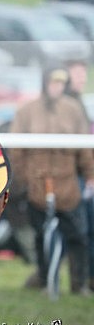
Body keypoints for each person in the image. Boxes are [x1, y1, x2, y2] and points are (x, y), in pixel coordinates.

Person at [9, 65, 94, 294]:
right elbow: (17, 150)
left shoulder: (73, 109)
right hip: (37, 185)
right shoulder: (27, 110)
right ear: (45, 83)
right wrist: (24, 181)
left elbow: (84, 146)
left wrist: (90, 174)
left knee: (78, 236)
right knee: (42, 238)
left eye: (60, 83)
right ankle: (46, 281)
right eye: (53, 82)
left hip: (68, 186)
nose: (57, 87)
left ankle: (79, 284)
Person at [64, 58, 94, 291]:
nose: (82, 79)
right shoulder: (68, 105)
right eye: (77, 74)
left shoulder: (78, 103)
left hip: (81, 176)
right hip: (71, 178)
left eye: (84, 74)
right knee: (79, 233)